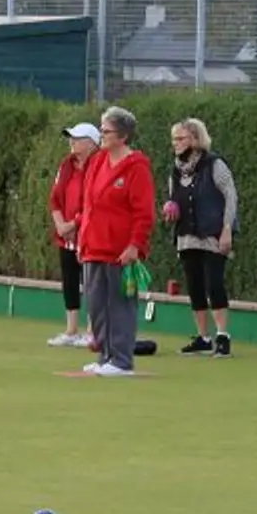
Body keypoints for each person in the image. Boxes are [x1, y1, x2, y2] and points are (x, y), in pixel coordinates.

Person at [76, 106, 156, 378]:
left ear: (122, 136)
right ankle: (105, 356)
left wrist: (135, 244)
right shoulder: (97, 161)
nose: (102, 134)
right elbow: (88, 203)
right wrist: (83, 239)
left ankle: (122, 360)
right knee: (96, 304)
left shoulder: (137, 167)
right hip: (93, 245)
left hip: (121, 249)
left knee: (119, 305)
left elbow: (143, 212)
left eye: (106, 130)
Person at [163, 117, 239, 358]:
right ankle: (203, 338)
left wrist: (227, 228)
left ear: (195, 139)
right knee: (195, 287)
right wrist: (170, 209)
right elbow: (174, 197)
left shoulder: (214, 164)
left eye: (181, 138)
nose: (175, 143)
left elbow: (231, 195)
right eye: (174, 138)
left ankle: (223, 336)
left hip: (212, 234)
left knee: (214, 284)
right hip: (187, 235)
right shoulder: (175, 170)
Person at [46, 122, 100, 348]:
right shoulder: (66, 165)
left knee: (91, 283)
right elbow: (55, 197)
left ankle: (91, 330)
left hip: (89, 234)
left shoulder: (98, 164)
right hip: (66, 235)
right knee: (69, 280)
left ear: (91, 143)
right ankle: (71, 330)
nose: (72, 142)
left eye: (77, 139)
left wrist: (74, 224)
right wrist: (60, 225)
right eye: (71, 138)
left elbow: (94, 201)